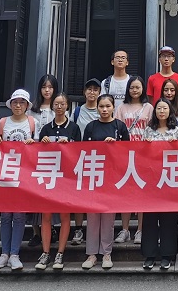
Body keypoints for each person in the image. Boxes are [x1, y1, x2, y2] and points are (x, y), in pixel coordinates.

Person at [81, 94, 130, 271]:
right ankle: (92, 254)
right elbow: (83, 151)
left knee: (108, 217)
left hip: (112, 176)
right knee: (93, 216)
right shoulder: (91, 127)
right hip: (94, 176)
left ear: (113, 107)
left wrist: (115, 145)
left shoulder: (120, 126)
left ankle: (106, 253)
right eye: (101, 106)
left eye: (108, 106)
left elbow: (128, 151)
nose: (104, 109)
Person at [0, 88, 37, 271]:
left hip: (24, 174)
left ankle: (15, 254)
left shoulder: (33, 122)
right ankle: (4, 254)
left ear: (27, 105)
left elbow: (40, 148)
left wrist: (33, 144)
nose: (18, 105)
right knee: (5, 215)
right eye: (15, 102)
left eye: (22, 102)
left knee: (19, 215)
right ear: (10, 104)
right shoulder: (3, 122)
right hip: (6, 173)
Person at [35, 92, 81, 271]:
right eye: (56, 104)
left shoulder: (74, 128)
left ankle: (60, 252)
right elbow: (37, 153)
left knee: (64, 216)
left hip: (66, 178)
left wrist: (69, 144)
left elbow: (80, 152)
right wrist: (43, 142)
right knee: (46, 216)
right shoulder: (46, 128)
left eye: (62, 104)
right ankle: (45, 252)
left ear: (67, 106)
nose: (59, 106)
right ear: (52, 106)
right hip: (48, 177)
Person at [141, 99, 178, 271]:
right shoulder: (148, 130)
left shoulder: (176, 131)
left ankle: (167, 255)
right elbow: (140, 155)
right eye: (159, 108)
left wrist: (175, 145)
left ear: (170, 111)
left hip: (170, 180)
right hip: (151, 180)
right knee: (150, 219)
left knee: (169, 219)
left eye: (165, 108)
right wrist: (145, 146)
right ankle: (149, 255)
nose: (161, 111)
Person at [114, 76, 152, 244]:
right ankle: (125, 229)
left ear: (143, 89)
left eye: (138, 87)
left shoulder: (149, 108)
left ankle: (140, 230)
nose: (135, 90)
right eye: (132, 87)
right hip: (126, 155)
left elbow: (152, 129)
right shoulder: (121, 107)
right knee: (126, 193)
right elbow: (117, 129)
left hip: (144, 155)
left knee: (142, 193)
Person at [27, 74, 59, 252]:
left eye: (50, 87)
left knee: (50, 193)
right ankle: (36, 231)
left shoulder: (59, 107)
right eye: (44, 87)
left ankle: (51, 227)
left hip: (54, 157)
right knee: (34, 193)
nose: (47, 90)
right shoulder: (31, 109)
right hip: (34, 156)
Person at [70, 77, 102, 247]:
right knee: (80, 195)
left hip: (100, 159)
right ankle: (79, 228)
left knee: (97, 195)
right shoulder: (77, 111)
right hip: (81, 157)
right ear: (84, 92)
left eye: (95, 90)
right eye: (89, 89)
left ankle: (95, 229)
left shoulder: (103, 109)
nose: (92, 92)